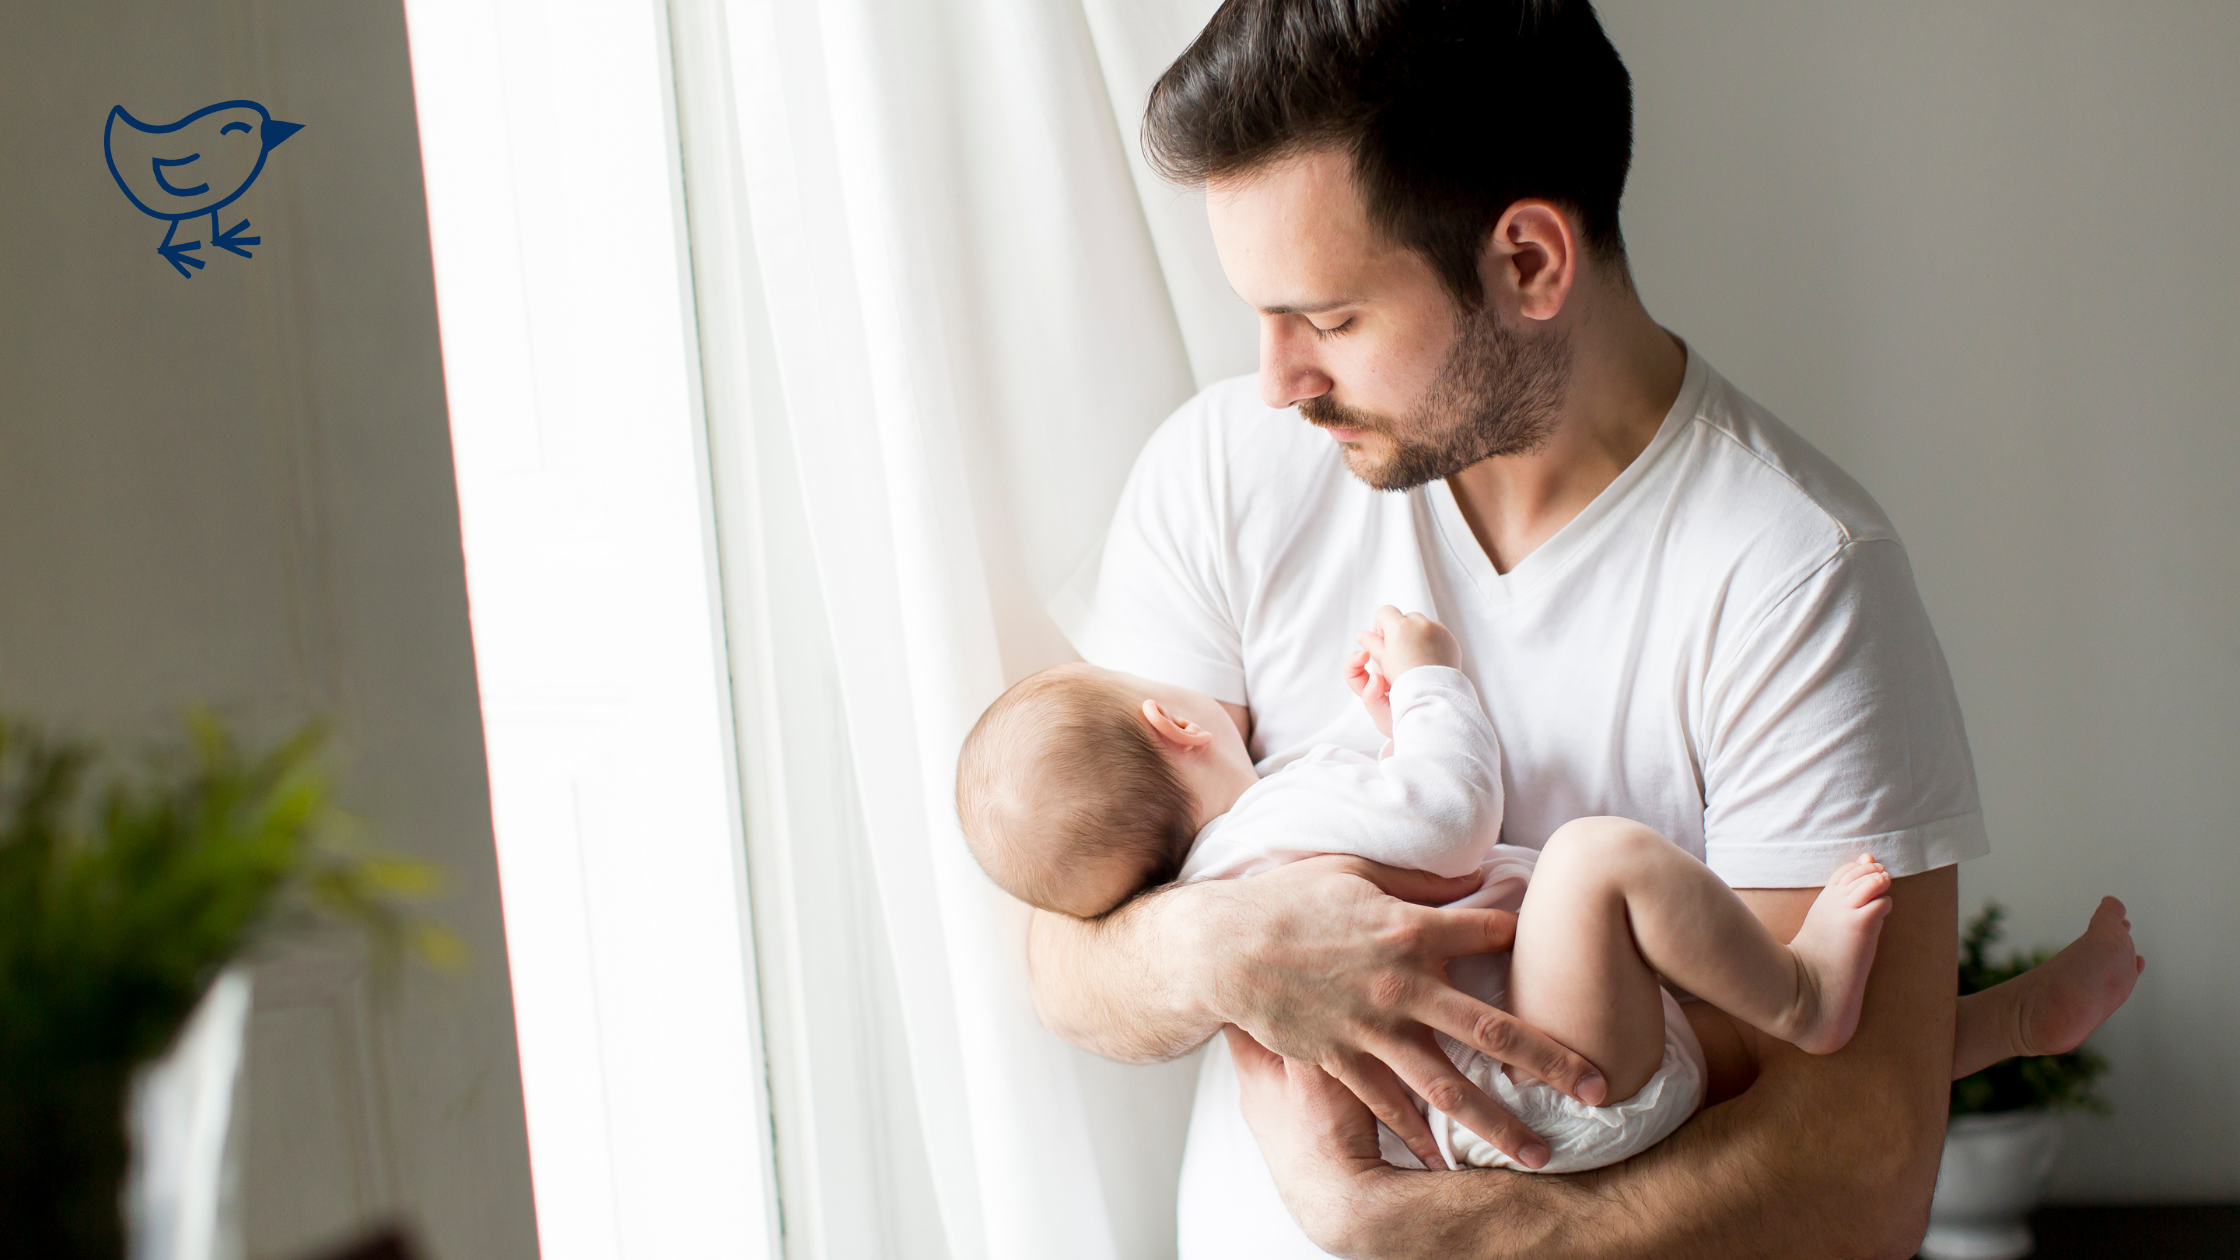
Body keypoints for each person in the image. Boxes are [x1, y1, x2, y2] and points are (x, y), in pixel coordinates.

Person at [1024, 1, 2134, 1254]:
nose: (1279, 379)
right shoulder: (1222, 471)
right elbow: (1065, 949)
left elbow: (1851, 1168)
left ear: (1528, 263)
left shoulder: (1794, 579)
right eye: (1265, 317)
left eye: (1327, 319)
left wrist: (1379, 1222)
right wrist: (1221, 951)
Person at [962, 607, 2142, 1178]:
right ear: (1171, 721)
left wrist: (1377, 731)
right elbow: (1444, 819)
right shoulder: (1265, 831)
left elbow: (1376, 832)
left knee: (1748, 1060)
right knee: (1592, 861)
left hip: (1517, 1107)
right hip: (1539, 1069)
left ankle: (2014, 1022)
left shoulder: (1241, 858)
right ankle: (1805, 991)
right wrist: (1429, 685)